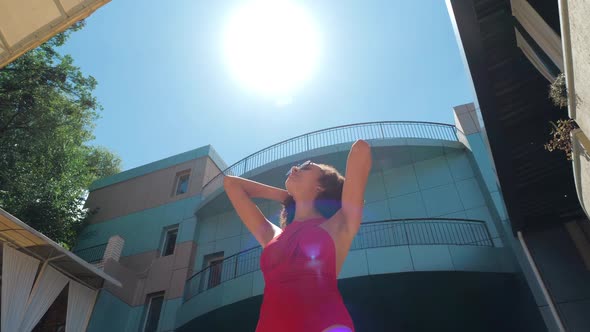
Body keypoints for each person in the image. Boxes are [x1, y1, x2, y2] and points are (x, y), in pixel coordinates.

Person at [223, 139, 372, 332]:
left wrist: (296, 194)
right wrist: (287, 196)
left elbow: (361, 149)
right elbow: (231, 184)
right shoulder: (273, 236)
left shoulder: (339, 224)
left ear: (321, 187)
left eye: (306, 167)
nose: (295, 168)